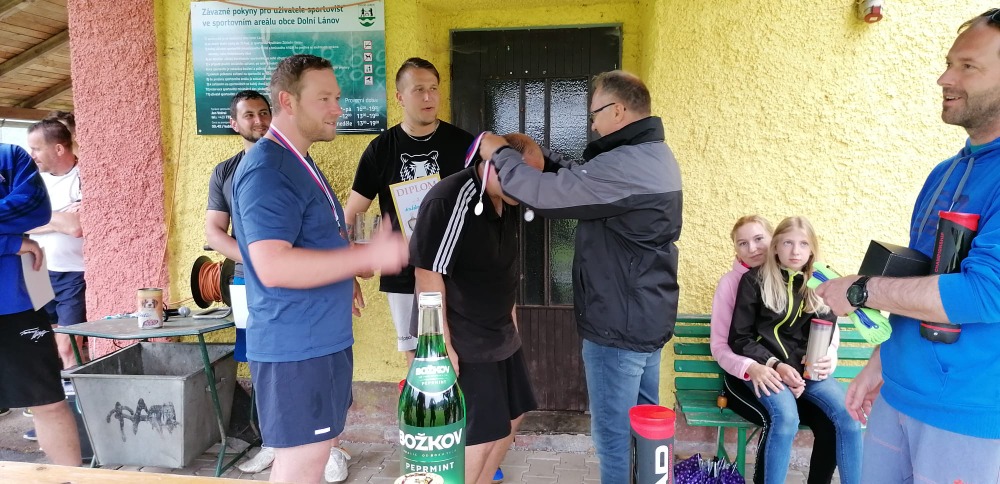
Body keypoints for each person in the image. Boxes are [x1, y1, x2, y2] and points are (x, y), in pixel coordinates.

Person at [817, 11, 1000, 482]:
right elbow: (925, 278)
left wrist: (861, 290)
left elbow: (985, 293)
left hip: (967, 417)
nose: (945, 78)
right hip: (897, 395)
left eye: (967, 66)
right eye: (948, 63)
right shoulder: (944, 172)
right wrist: (883, 360)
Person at [477, 70, 682, 483]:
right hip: (643, 316)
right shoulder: (650, 155)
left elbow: (545, 195)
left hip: (617, 327)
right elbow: (583, 181)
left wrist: (500, 153)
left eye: (595, 114)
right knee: (645, 431)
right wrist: (544, 157)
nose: (592, 125)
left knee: (613, 437)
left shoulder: (627, 164)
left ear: (618, 110)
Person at [230, 54, 408, 484]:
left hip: (319, 342)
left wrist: (352, 264)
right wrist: (363, 258)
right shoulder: (268, 171)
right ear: (288, 101)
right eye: (325, 98)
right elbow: (273, 265)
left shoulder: (299, 160)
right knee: (301, 468)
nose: (338, 109)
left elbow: (312, 242)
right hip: (296, 348)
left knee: (313, 459)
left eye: (338, 97)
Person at [409, 133, 543, 484]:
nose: (530, 189)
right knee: (477, 437)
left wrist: (513, 327)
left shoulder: (507, 201)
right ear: (498, 165)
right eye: (525, 177)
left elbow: (503, 272)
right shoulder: (450, 198)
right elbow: (427, 274)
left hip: (499, 333)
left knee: (512, 417)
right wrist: (441, 347)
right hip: (463, 335)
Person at [346, 57, 475, 362]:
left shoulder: (464, 145)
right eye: (418, 89)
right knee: (418, 359)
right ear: (400, 97)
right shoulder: (381, 149)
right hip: (403, 274)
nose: (429, 97)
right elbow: (352, 215)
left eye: (433, 88)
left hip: (457, 270)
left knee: (463, 354)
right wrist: (349, 269)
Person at [728, 216, 862, 484]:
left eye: (803, 244)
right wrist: (776, 365)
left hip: (805, 373)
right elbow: (740, 338)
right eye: (787, 243)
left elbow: (824, 334)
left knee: (850, 416)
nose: (795, 251)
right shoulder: (755, 281)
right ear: (776, 247)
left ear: (812, 249)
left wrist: (817, 365)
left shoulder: (823, 284)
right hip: (767, 370)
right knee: (786, 418)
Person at [0, 142, 82, 467]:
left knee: (48, 401)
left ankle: (72, 480)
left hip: (16, 304)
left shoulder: (10, 156)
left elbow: (35, 210)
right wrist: (9, 241)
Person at [25, 119, 85, 371]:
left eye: (36, 149)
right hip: (37, 271)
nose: (32, 155)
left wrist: (37, 216)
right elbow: (18, 223)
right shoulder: (32, 181)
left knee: (68, 347)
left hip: (72, 273)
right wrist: (59, 217)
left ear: (59, 148)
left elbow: (76, 227)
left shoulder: (84, 177)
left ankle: (80, 394)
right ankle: (54, 394)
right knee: (44, 344)